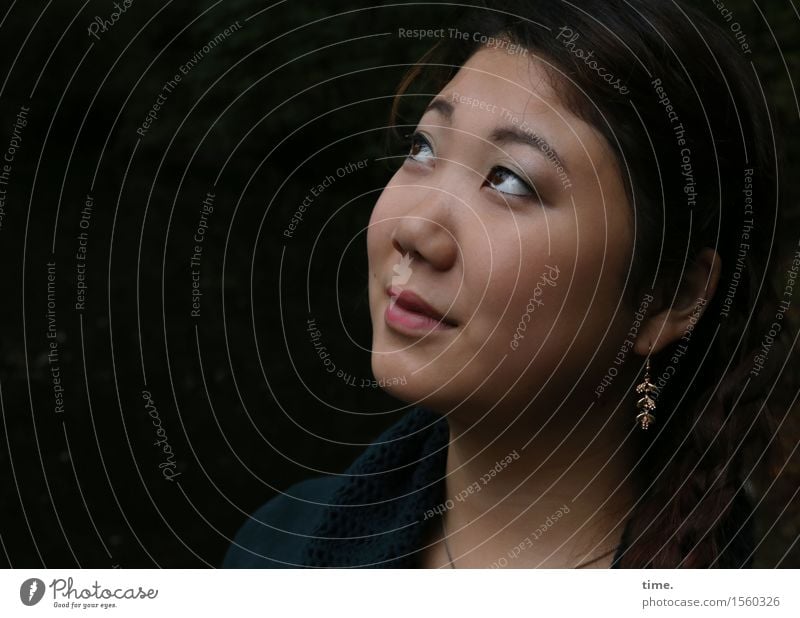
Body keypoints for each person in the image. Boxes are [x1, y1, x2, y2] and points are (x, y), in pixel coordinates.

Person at [223, 0, 793, 568]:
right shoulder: (274, 550)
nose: (417, 231)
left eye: (510, 181)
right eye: (423, 149)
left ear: (671, 296)